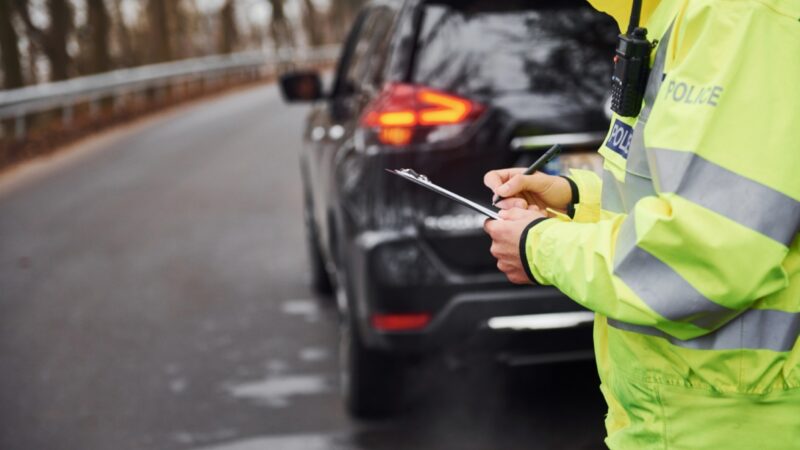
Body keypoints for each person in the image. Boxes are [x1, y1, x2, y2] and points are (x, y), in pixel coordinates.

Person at [482, 0, 800, 448]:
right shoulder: (672, 12)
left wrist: (540, 246)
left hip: (731, 424)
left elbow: (705, 255)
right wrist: (576, 201)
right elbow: (689, 196)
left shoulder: (737, 16)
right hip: (687, 414)